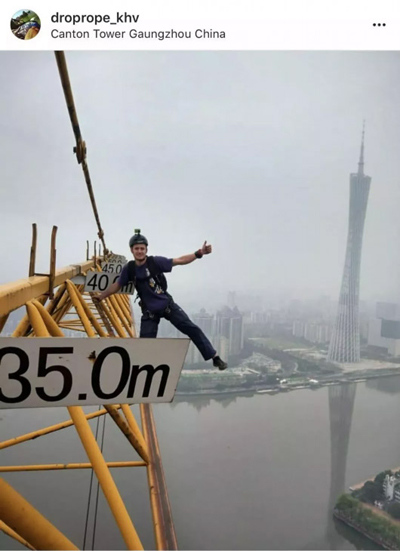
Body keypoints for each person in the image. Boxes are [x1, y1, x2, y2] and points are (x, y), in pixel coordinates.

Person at [93, 230, 228, 370]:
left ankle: (215, 357)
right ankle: (142, 371)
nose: (139, 251)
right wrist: (102, 296)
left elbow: (179, 261)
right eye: (136, 249)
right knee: (145, 346)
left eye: (142, 248)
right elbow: (117, 285)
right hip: (150, 311)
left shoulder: (155, 262)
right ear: (132, 250)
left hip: (167, 306)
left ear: (146, 250)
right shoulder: (130, 269)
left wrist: (199, 253)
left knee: (192, 328)